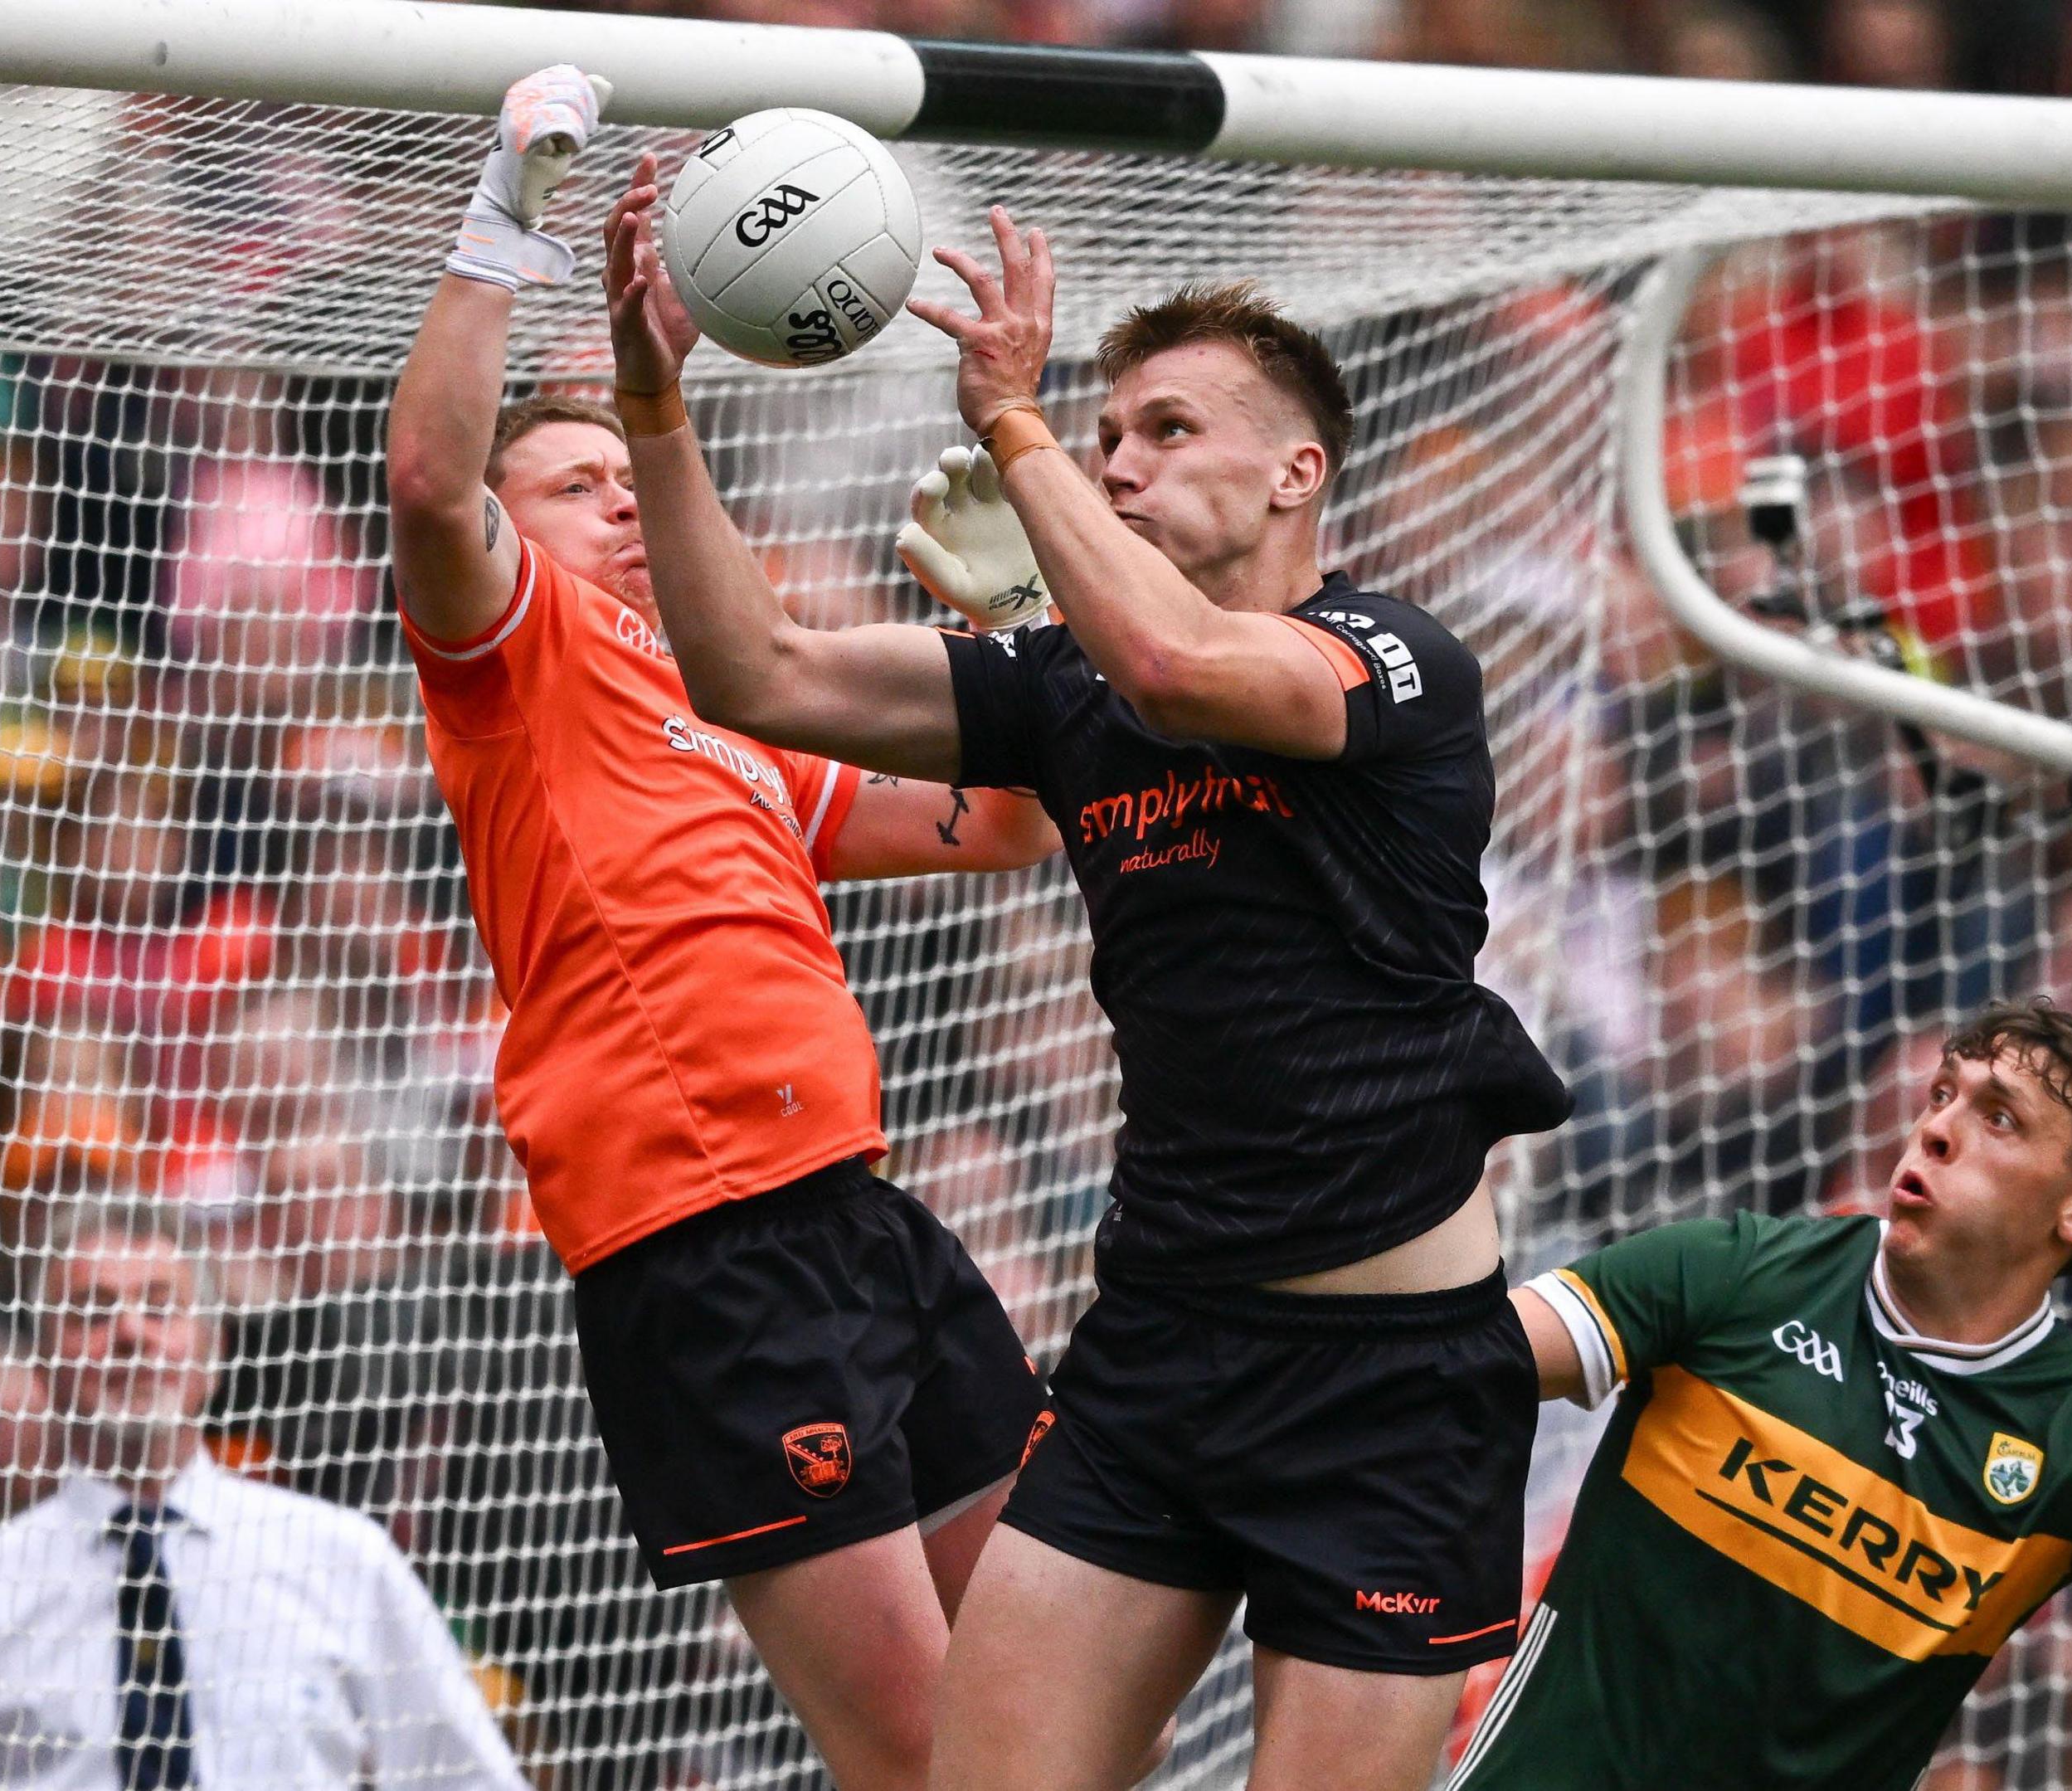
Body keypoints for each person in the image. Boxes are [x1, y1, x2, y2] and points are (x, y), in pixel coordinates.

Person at [599, 165, 1572, 1788]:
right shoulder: (1063, 685)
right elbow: (747, 669)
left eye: (1170, 429)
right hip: (1160, 1351)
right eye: (1105, 430)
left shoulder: (1396, 655)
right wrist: (654, 405)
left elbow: (1186, 667)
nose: (1120, 455)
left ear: (1296, 473)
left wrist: (1018, 427)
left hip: (1390, 1388)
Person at [382, 68, 1060, 1791]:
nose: (617, 496)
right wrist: (513, 208)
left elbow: (1000, 827)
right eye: (570, 480)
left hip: (859, 1214)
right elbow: (422, 475)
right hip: (710, 1249)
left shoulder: (732, 702)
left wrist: (1020, 623)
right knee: (918, 1754)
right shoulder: (514, 662)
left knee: (1052, 1700)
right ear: (507, 533)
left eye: (631, 469)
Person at [1459, 1000, 2072, 1790]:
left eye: (2000, 1117)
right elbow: (1460, 1359)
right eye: (1945, 1093)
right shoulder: (1737, 1271)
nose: (1937, 1125)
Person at [0, 1208, 524, 1791]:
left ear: (212, 1350)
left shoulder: (344, 1560)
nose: (130, 1333)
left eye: (160, 1305)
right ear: (44, 1366)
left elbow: (469, 1777)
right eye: (90, 1310)